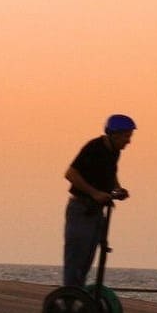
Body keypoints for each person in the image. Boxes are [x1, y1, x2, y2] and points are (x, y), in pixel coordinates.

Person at [61, 114, 135, 288]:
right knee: (76, 259)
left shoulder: (114, 152)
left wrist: (117, 189)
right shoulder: (94, 147)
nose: (128, 142)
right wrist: (94, 193)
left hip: (96, 212)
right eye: (126, 137)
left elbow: (111, 174)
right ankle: (69, 298)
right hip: (81, 209)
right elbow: (70, 174)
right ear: (114, 134)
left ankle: (78, 295)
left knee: (87, 258)